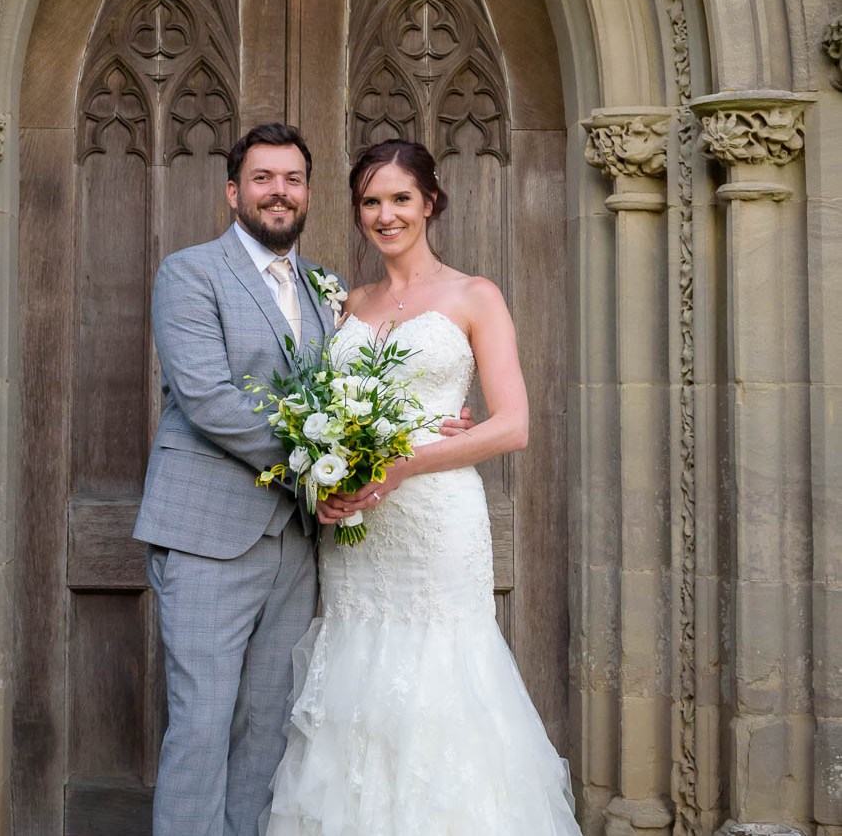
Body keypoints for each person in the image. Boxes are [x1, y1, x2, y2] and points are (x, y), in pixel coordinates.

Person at [134, 123, 474, 836]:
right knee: (202, 722)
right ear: (235, 192)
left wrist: (425, 424)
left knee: (268, 727)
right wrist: (327, 473)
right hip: (207, 535)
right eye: (262, 178)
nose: (278, 192)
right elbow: (209, 400)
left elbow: (361, 390)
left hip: (296, 543)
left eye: (291, 179)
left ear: (308, 193)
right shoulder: (190, 273)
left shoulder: (330, 291)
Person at [263, 138, 582, 835]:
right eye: (371, 201)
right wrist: (331, 483)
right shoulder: (345, 303)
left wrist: (402, 464)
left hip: (437, 524)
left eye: (400, 198)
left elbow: (513, 427)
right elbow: (320, 412)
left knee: (441, 676)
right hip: (358, 536)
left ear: (430, 203)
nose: (385, 215)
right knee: (357, 679)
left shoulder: (475, 295)